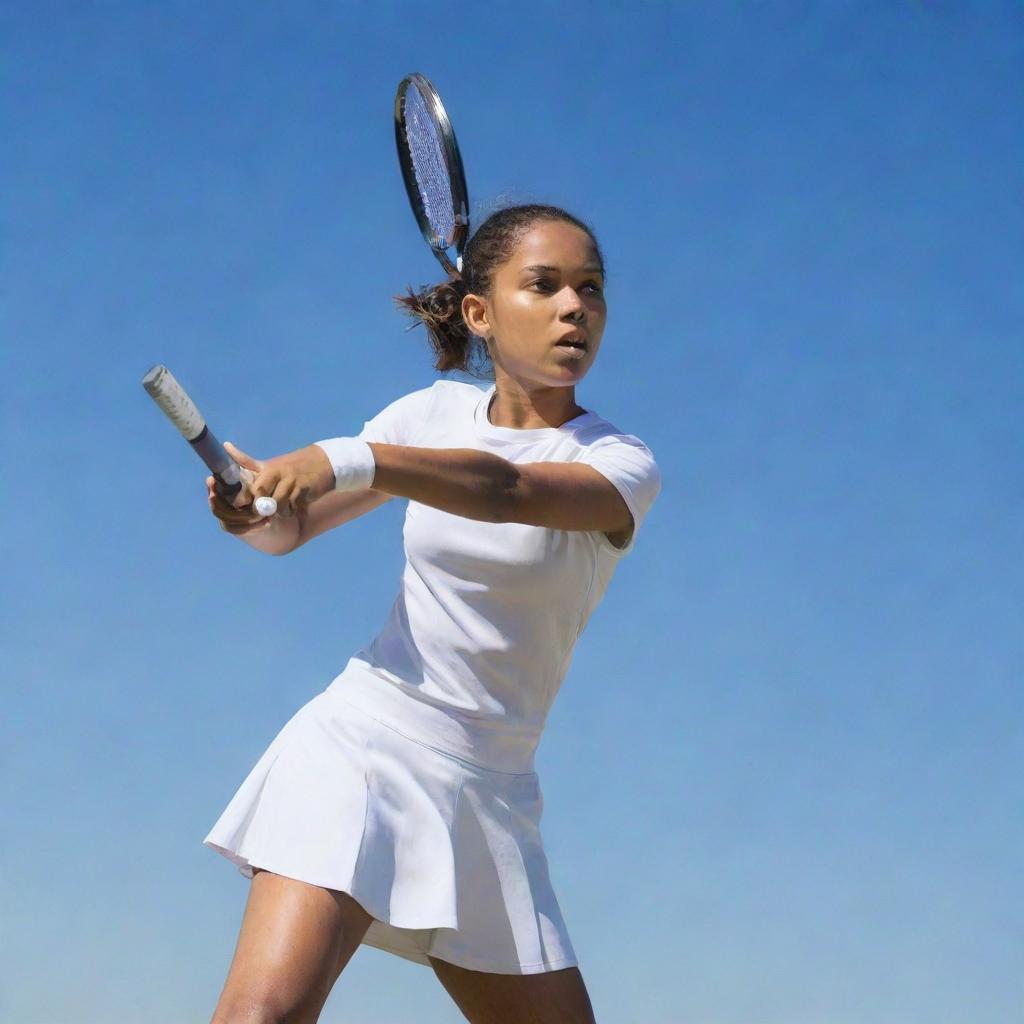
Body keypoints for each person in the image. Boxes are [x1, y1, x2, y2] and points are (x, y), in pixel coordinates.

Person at [202, 204, 662, 1024]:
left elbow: (506, 489)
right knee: (258, 1018)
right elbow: (293, 530)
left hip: (492, 793)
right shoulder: (427, 416)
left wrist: (348, 455)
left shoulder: (618, 465)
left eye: (590, 289)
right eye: (545, 285)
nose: (574, 308)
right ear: (480, 313)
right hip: (364, 748)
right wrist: (255, 513)